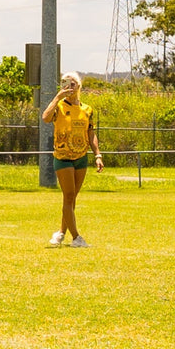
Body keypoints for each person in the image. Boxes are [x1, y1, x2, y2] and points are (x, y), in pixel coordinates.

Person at [42, 71, 103, 247]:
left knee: (72, 198)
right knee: (68, 196)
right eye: (65, 83)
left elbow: (90, 133)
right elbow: (46, 118)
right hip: (63, 157)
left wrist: (97, 154)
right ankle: (76, 237)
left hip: (81, 157)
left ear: (79, 86)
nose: (69, 86)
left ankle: (61, 232)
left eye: (72, 83)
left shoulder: (87, 109)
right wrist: (57, 98)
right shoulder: (60, 106)